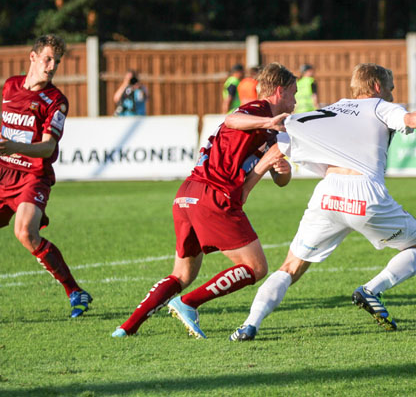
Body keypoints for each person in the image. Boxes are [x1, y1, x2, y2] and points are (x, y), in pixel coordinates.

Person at [229, 63, 416, 341]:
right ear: (378, 87)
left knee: (290, 267)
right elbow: (411, 119)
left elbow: (283, 139)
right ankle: (371, 290)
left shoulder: (331, 109)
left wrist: (250, 182)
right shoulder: (380, 106)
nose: (392, 93)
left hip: (327, 195)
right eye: (390, 87)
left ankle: (249, 324)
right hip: (364, 194)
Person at [111, 63, 296, 338]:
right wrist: (268, 123)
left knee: (182, 275)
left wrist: (283, 170)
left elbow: (280, 179)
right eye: (293, 94)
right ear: (279, 91)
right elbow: (232, 119)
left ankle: (126, 329)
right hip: (214, 195)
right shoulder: (258, 111)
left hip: (187, 193)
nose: (294, 101)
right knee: (256, 268)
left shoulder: (270, 131)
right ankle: (188, 303)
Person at [0, 34, 92, 318]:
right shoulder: (10, 86)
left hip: (32, 176)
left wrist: (15, 146)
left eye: (57, 62)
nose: (52, 67)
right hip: (3, 174)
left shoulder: (56, 101)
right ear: (33, 57)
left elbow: (49, 146)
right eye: (48, 59)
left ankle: (74, 291)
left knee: (25, 232)